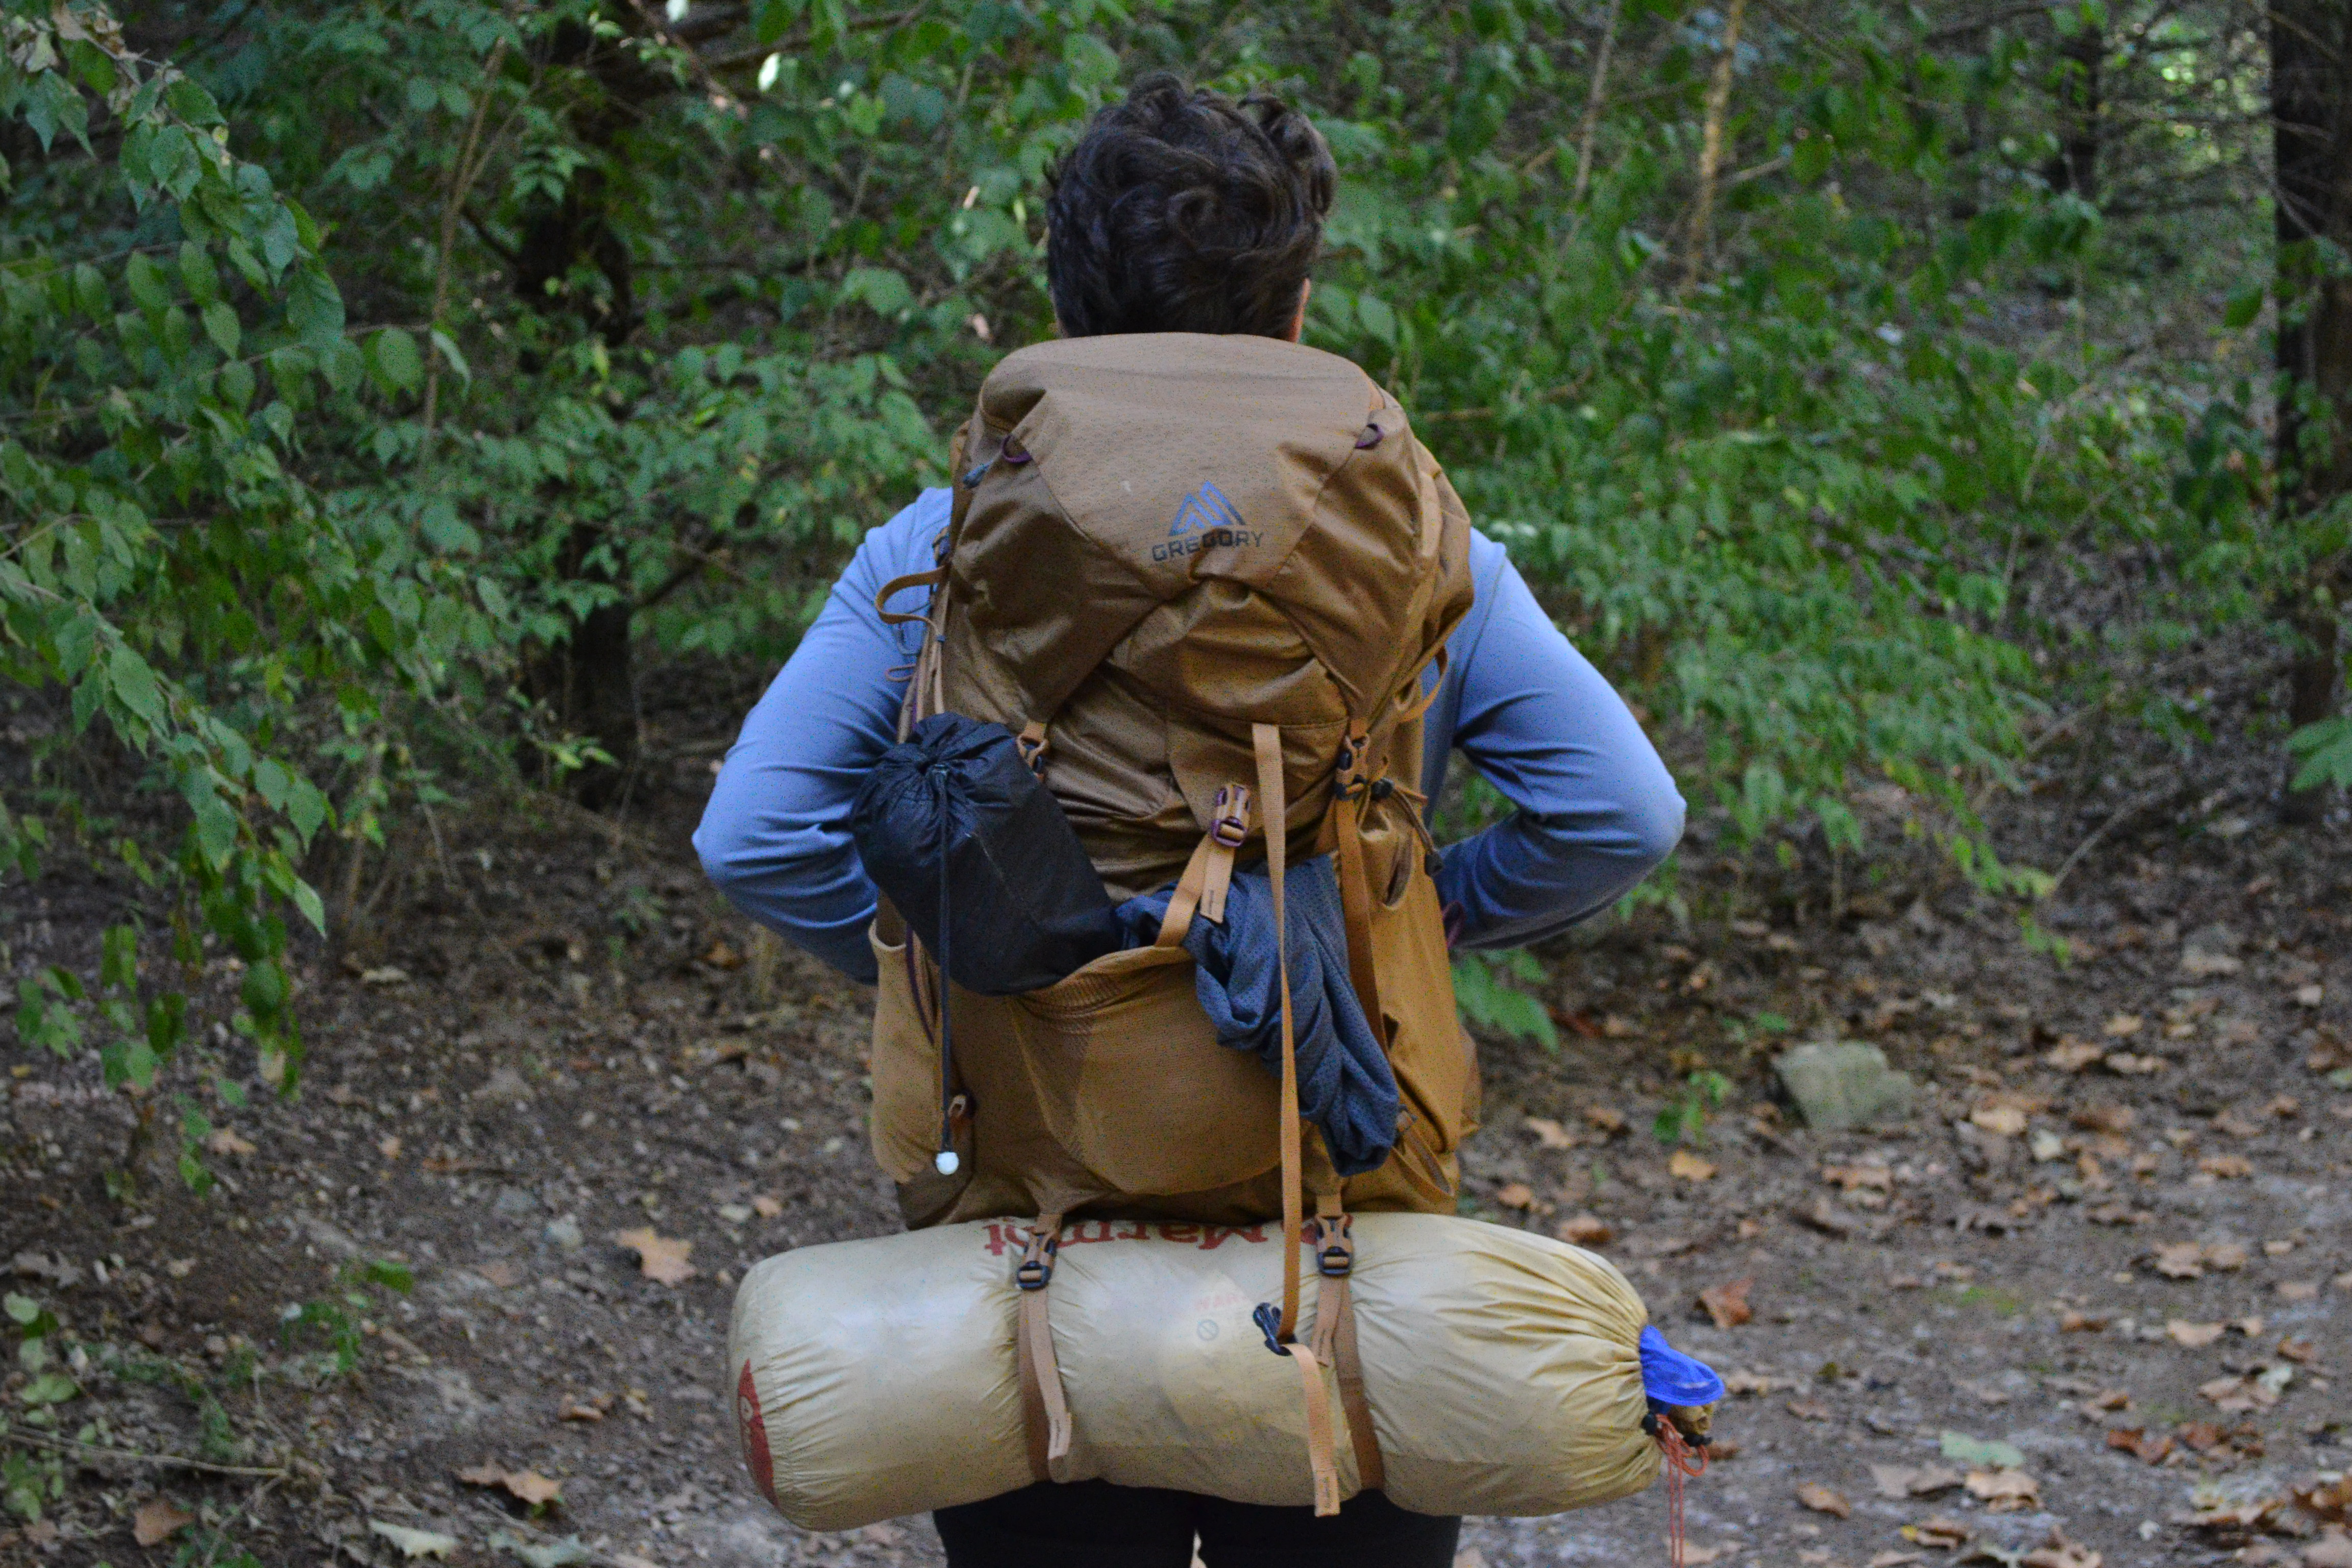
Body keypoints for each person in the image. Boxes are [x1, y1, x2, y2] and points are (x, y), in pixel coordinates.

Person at [695, 73, 1683, 1568]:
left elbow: (756, 833)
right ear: (1297, 315)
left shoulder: (944, 546)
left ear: (1068, 308)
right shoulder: (1420, 550)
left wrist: (958, 959)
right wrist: (1403, 922)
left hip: (1031, 1224)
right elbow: (1621, 812)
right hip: (1342, 1218)